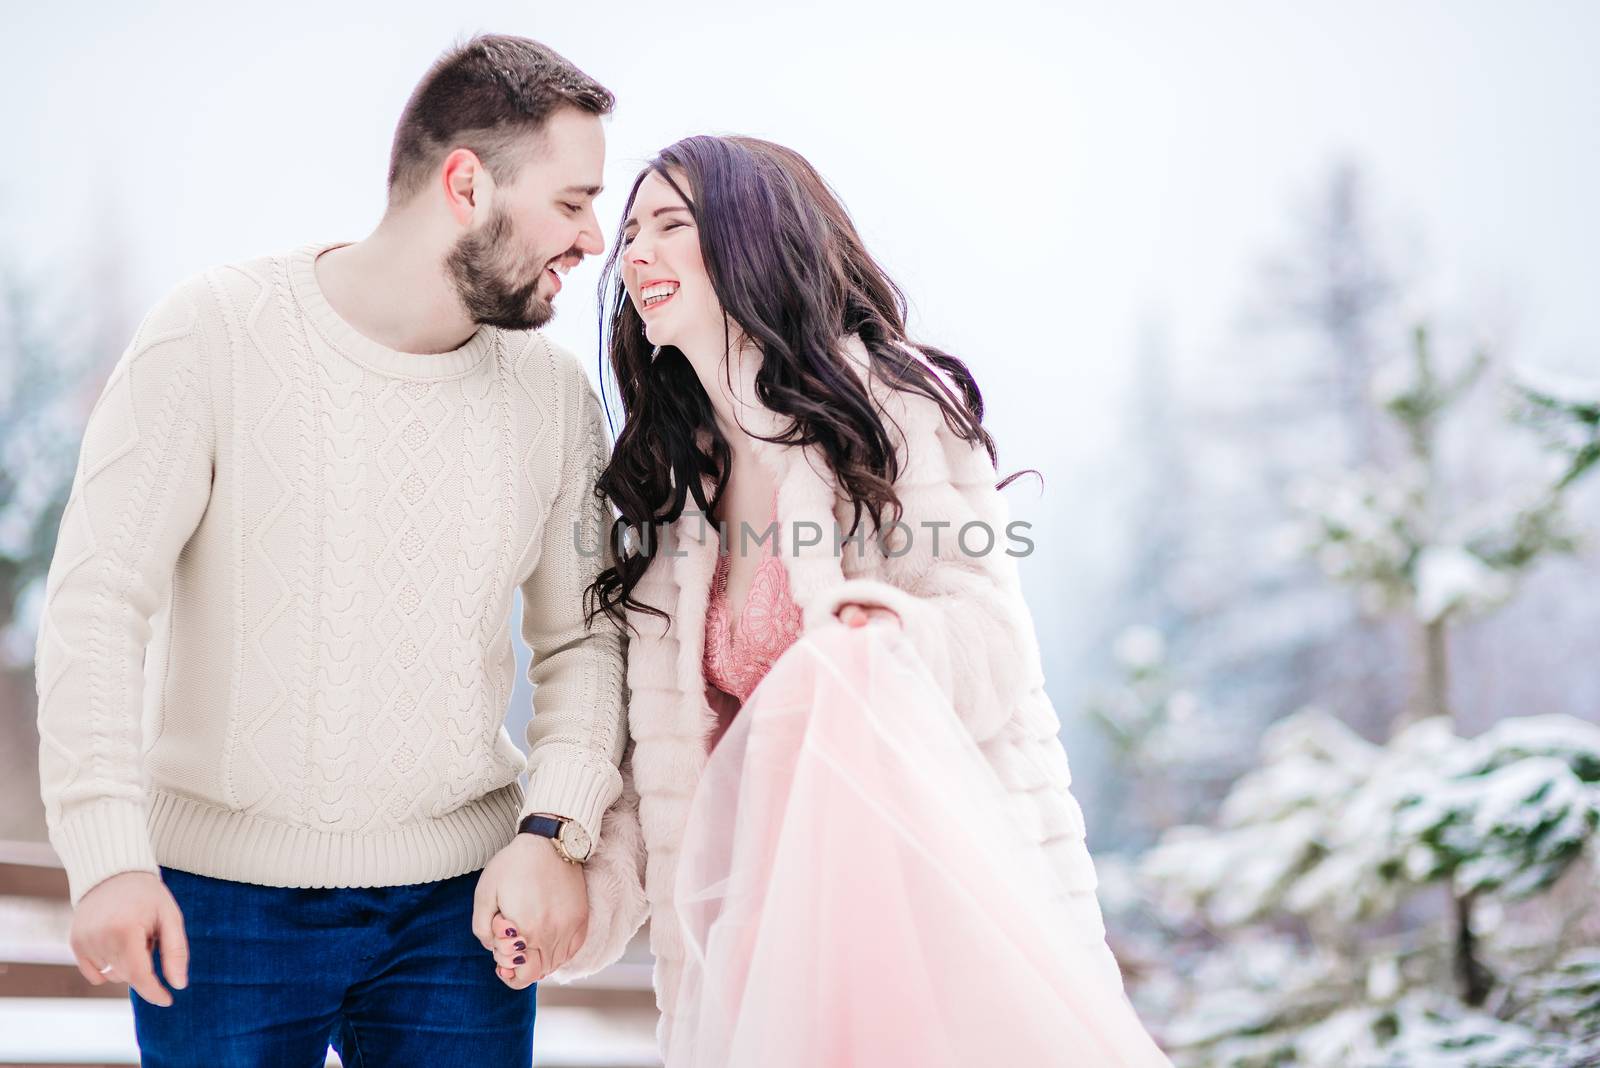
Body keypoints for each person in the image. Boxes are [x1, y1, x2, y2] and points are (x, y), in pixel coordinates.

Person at [485, 134, 1170, 1062]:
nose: (633, 251)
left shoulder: (889, 410)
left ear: (753, 239)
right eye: (631, 231)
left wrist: (887, 637)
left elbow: (992, 643)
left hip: (922, 922)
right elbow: (669, 778)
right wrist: (580, 908)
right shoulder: (675, 500)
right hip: (756, 954)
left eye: (671, 225)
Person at [33, 34, 645, 1066]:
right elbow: (99, 601)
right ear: (465, 184)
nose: (595, 238)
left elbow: (584, 644)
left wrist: (555, 831)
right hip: (219, 910)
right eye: (573, 201)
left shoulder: (553, 400)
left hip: (463, 915)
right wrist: (106, 856)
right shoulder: (213, 333)